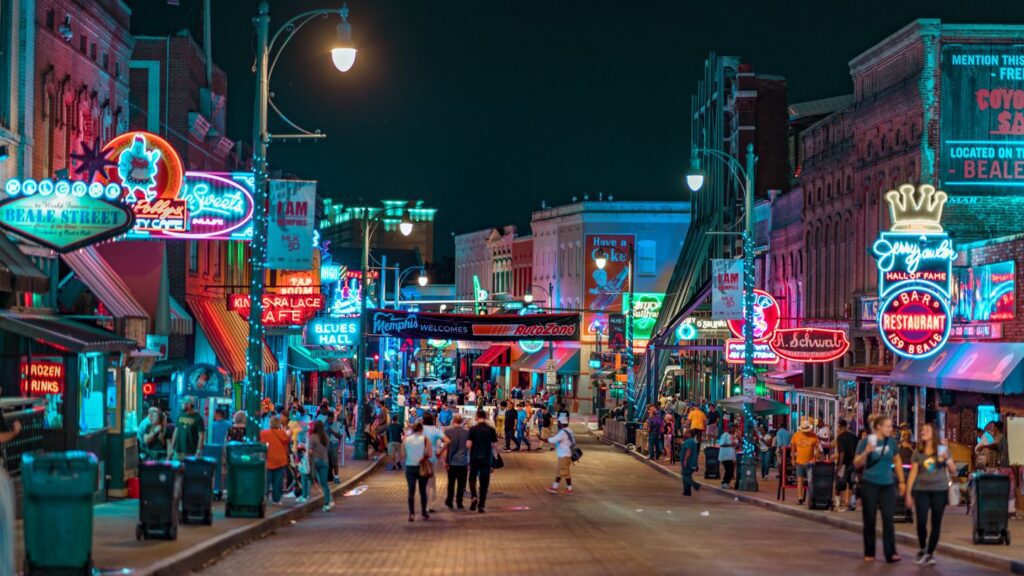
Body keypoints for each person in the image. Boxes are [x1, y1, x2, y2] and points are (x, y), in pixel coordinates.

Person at [854, 414, 906, 564]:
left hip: (887, 484)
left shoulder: (892, 443)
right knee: (869, 518)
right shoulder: (865, 442)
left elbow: (897, 460)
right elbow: (857, 463)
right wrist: (866, 452)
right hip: (870, 483)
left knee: (888, 518)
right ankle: (869, 551)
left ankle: (891, 553)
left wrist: (902, 481)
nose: (891, 429)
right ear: (878, 427)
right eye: (888, 426)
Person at [905, 422, 956, 566]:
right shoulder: (918, 452)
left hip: (939, 490)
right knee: (921, 522)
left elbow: (953, 470)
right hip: (921, 490)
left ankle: (930, 553)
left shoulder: (941, 450)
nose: (923, 432)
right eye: (922, 430)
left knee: (936, 522)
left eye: (926, 430)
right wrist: (908, 493)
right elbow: (913, 473)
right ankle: (923, 548)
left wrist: (946, 458)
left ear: (933, 433)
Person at [466, 409, 498, 513]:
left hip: (474, 458)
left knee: (472, 478)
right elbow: (494, 446)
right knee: (484, 482)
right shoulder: (491, 430)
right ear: (486, 417)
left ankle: (474, 496)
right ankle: (481, 505)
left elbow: (468, 445)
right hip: (486, 458)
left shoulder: (473, 429)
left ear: (477, 417)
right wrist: (495, 460)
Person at [400, 421, 433, 522]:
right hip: (421, 467)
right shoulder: (425, 439)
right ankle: (423, 512)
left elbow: (402, 455)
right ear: (421, 430)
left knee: (411, 491)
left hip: (410, 467)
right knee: (422, 491)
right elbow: (430, 454)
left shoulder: (406, 440)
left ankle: (412, 513)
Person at [440, 413, 470, 509]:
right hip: (463, 462)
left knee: (451, 483)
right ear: (461, 422)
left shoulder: (448, 432)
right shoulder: (467, 433)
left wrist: (445, 461)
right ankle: (459, 502)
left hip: (452, 462)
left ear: (453, 422)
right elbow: (469, 447)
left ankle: (449, 501)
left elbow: (446, 449)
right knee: (461, 484)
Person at [260, 416, 291, 505]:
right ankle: (276, 499)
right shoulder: (282, 434)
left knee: (266, 481)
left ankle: (264, 498)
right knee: (278, 482)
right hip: (280, 460)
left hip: (268, 460)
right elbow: (287, 442)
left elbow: (261, 445)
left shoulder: (263, 433)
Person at [791, 420, 821, 504]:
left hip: (810, 462)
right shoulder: (796, 435)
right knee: (799, 479)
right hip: (799, 461)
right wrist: (793, 459)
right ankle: (800, 498)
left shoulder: (813, 436)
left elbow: (817, 447)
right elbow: (793, 448)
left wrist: (817, 457)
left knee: (810, 481)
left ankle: (810, 498)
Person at [306, 420, 334, 512]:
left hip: (315, 462)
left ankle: (306, 496)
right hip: (325, 462)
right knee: (324, 483)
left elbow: (310, 451)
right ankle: (327, 502)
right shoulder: (325, 437)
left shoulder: (312, 437)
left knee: (309, 478)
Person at [545, 415, 576, 495]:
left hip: (564, 455)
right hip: (567, 454)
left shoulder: (562, 432)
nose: (558, 424)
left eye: (558, 423)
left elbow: (554, 439)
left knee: (565, 472)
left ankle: (570, 489)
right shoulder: (569, 431)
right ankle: (554, 487)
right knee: (560, 471)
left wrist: (544, 439)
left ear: (560, 423)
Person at [421, 412, 445, 512]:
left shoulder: (420, 430)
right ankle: (432, 505)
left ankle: (424, 504)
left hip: (421, 458)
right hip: (433, 458)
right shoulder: (436, 430)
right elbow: (445, 441)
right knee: (432, 482)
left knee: (423, 483)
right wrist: (440, 451)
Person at [835, 419, 858, 511]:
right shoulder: (854, 437)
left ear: (840, 427)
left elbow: (842, 453)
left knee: (839, 484)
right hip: (853, 464)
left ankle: (837, 504)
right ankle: (852, 504)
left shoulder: (840, 437)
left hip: (844, 464)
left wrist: (839, 466)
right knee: (852, 484)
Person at [680, 429, 701, 496]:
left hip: (689, 463)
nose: (684, 434)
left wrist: (685, 460)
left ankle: (695, 485)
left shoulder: (689, 441)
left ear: (689, 434)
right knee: (687, 476)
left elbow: (688, 451)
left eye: (685, 433)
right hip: (691, 462)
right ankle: (687, 491)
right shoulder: (692, 441)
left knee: (685, 476)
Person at [717, 423, 737, 489]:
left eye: (734, 428)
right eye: (733, 428)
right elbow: (721, 444)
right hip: (725, 456)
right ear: (729, 428)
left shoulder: (732, 436)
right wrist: (731, 444)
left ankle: (726, 483)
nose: (734, 430)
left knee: (730, 470)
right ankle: (725, 482)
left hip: (731, 456)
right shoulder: (724, 435)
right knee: (729, 470)